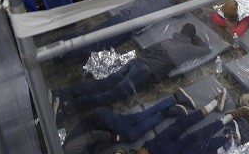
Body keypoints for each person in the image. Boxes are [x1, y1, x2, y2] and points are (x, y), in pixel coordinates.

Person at [53, 23, 211, 116]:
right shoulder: (188, 48)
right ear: (190, 37)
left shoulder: (168, 39)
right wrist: (196, 39)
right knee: (111, 95)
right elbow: (206, 50)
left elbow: (148, 49)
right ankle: (68, 106)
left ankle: (61, 94)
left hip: (136, 62)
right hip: (145, 71)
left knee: (103, 83)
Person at [62, 88, 198, 152]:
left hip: (102, 121)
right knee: (138, 118)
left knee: (132, 134)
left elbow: (92, 136)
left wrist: (115, 138)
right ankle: (174, 99)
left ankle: (166, 113)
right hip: (103, 119)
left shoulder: (67, 151)